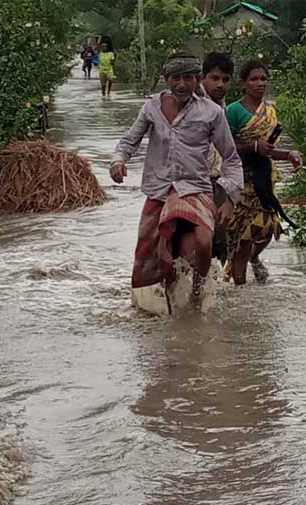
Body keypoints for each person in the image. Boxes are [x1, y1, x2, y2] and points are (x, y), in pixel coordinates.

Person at [110, 52, 243, 312]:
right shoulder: (151, 107)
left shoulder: (212, 112)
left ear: (197, 80)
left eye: (188, 78)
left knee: (204, 242)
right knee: (158, 256)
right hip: (159, 190)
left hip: (195, 188)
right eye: (176, 78)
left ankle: (197, 290)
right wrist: (118, 160)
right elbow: (129, 140)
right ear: (166, 78)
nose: (182, 84)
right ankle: (167, 304)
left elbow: (231, 157)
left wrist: (229, 198)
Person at [224, 60, 302, 285]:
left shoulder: (269, 111)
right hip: (242, 180)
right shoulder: (234, 111)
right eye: (254, 79)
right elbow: (226, 146)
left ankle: (255, 258)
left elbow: (269, 150)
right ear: (243, 83)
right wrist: (254, 147)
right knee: (243, 238)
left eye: (263, 79)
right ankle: (241, 294)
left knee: (268, 228)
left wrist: (289, 155)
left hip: (265, 180)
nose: (260, 83)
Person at [199, 52, 235, 266]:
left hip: (219, 181)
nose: (220, 84)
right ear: (203, 78)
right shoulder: (193, 103)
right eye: (214, 78)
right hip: (194, 183)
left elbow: (230, 153)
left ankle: (217, 291)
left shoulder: (222, 106)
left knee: (220, 239)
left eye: (225, 79)